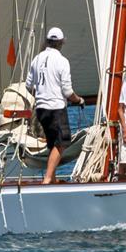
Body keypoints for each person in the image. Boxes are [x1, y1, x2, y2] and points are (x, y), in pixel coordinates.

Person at [25, 27, 85, 184]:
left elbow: (28, 85)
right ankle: (47, 179)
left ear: (47, 41)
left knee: (52, 143)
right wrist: (78, 100)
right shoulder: (62, 61)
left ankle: (52, 179)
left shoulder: (36, 59)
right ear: (62, 42)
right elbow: (67, 91)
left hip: (41, 109)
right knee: (61, 143)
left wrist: (40, 96)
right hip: (56, 108)